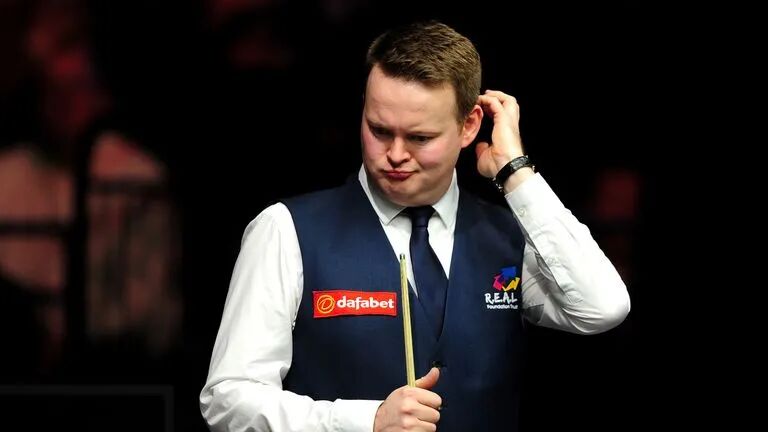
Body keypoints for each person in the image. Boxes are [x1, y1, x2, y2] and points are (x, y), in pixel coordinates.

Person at [200, 20, 630, 431]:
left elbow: (602, 307)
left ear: (469, 126)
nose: (395, 154)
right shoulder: (286, 230)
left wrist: (515, 172)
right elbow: (227, 399)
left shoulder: (509, 237)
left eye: (420, 138)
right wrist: (364, 422)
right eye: (379, 130)